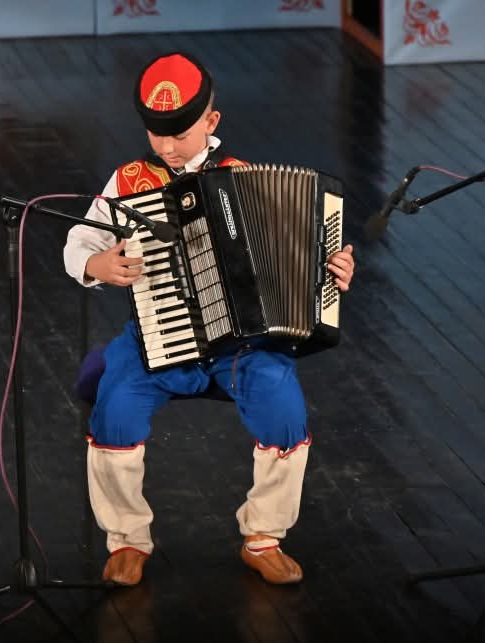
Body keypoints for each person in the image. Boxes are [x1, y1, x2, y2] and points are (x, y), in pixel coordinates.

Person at [63, 51, 354, 587]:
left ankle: (264, 536)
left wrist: (334, 268)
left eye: (179, 134)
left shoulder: (242, 179)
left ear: (211, 121)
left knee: (285, 411)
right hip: (154, 334)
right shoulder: (128, 180)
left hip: (240, 344)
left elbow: (301, 261)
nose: (167, 147)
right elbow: (80, 240)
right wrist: (95, 264)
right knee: (114, 412)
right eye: (157, 134)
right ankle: (126, 539)